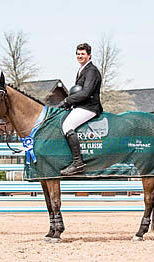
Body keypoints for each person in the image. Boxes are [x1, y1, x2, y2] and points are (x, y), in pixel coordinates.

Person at [57, 43, 103, 176]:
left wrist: (66, 100)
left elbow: (86, 93)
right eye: (78, 54)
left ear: (89, 55)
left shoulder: (92, 71)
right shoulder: (82, 69)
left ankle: (77, 163)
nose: (80, 56)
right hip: (81, 106)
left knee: (67, 125)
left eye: (82, 54)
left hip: (89, 107)